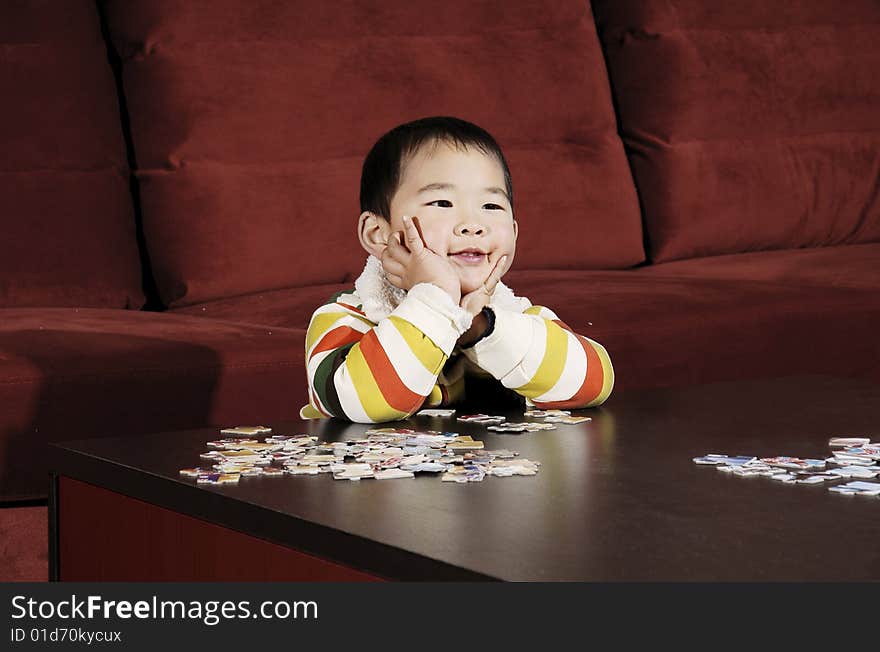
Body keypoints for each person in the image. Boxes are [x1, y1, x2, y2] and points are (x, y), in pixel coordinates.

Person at [300, 116, 613, 422]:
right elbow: (366, 402)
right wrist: (436, 297)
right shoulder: (347, 317)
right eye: (442, 203)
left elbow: (595, 384)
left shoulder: (514, 317)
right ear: (377, 233)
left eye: (491, 206)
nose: (472, 225)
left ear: (515, 233)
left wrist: (479, 326)